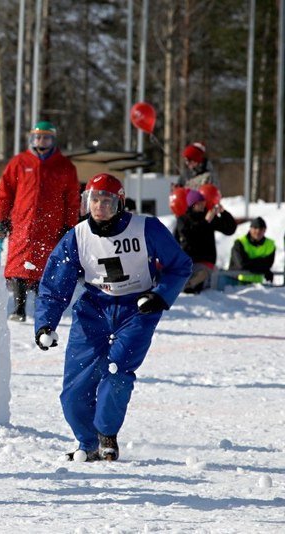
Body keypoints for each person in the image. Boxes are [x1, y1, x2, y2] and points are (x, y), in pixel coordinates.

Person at [34, 174, 192, 462]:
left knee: (117, 371)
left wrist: (160, 295)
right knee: (74, 388)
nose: (99, 206)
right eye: (94, 200)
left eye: (106, 201)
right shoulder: (78, 236)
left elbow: (180, 266)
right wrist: (46, 323)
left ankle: (107, 435)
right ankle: (88, 442)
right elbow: (56, 284)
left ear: (119, 203)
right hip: (94, 307)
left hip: (138, 308)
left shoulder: (147, 228)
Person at [0, 121, 80, 322]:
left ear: (53, 140)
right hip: (22, 223)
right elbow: (4, 193)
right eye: (38, 137)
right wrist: (0, 218)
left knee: (47, 266)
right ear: (32, 138)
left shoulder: (65, 166)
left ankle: (44, 309)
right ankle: (19, 308)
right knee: (19, 265)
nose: (42, 141)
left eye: (47, 137)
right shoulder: (19, 162)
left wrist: (69, 224)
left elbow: (73, 199)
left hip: (51, 225)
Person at [173, 189, 236, 293]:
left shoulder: (209, 217)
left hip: (206, 261)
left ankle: (190, 286)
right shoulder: (183, 219)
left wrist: (224, 213)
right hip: (188, 261)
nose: (203, 205)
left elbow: (229, 229)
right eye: (200, 203)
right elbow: (190, 237)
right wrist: (206, 222)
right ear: (193, 204)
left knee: (203, 274)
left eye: (204, 203)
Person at [228, 217, 275, 284]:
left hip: (257, 285)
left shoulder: (270, 244)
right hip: (235, 284)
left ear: (265, 230)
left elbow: (268, 264)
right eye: (255, 228)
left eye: (261, 229)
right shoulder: (240, 243)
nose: (258, 231)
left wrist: (249, 262)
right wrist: (261, 263)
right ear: (250, 229)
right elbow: (241, 264)